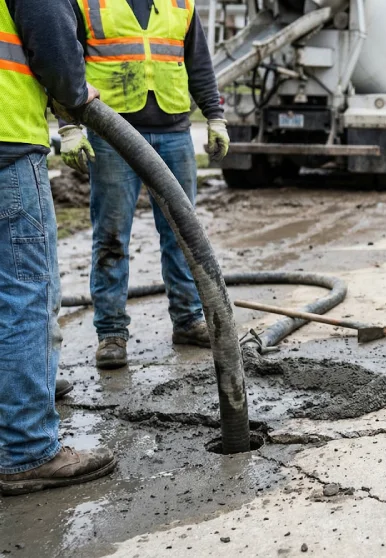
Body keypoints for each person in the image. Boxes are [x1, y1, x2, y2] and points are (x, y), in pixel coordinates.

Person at [60, 0, 230, 369]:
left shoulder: (181, 4)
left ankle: (187, 320)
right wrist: (69, 124)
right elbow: (65, 64)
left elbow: (198, 63)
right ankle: (111, 335)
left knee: (183, 234)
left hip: (174, 132)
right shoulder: (88, 4)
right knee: (111, 236)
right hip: (112, 133)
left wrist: (215, 116)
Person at [0, 0, 116, 496]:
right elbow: (50, 36)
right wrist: (73, 94)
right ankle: (26, 450)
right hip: (6, 146)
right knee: (25, 295)